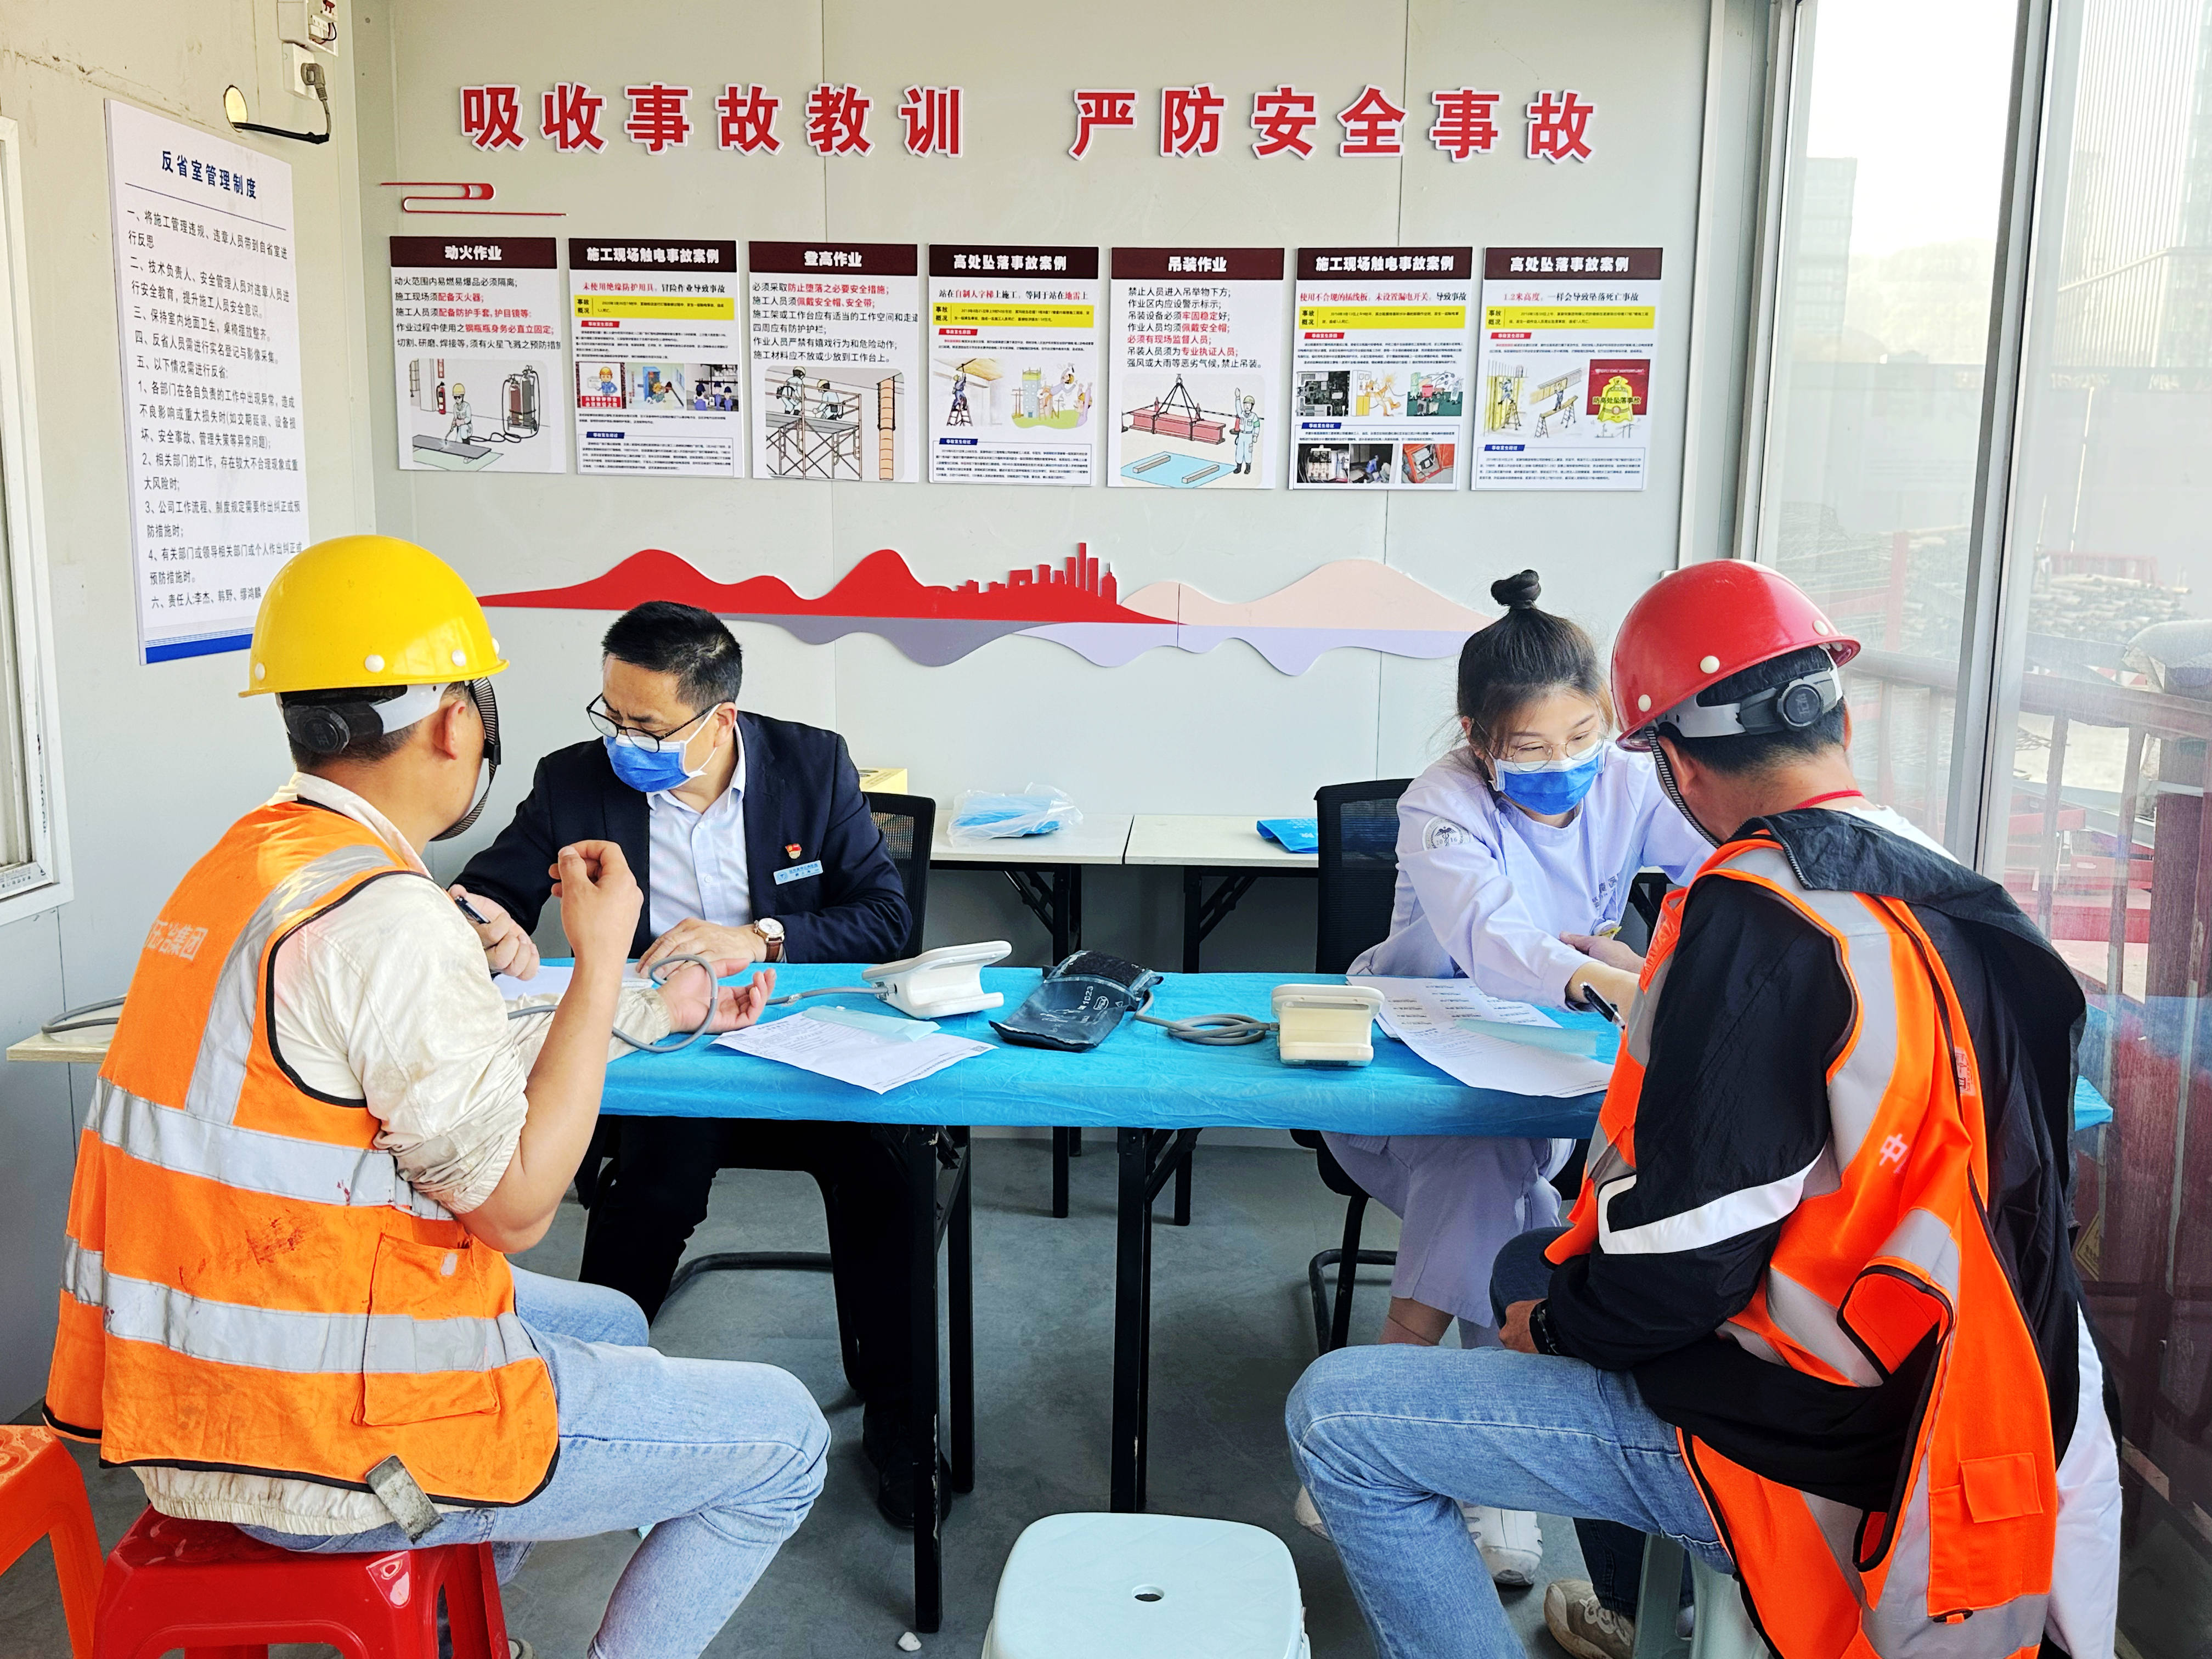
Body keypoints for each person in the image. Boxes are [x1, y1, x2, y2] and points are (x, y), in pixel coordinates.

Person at [1287, 560, 2121, 1659]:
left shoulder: (1751, 919)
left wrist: (1558, 1324)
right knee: (1525, 1243)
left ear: (1669, 763)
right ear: (1841, 716)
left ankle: (1555, 1513)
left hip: (1811, 1432)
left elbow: (1676, 1267)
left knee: (1347, 1413)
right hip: (1983, 1400)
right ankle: (1633, 1609)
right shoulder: (1966, 901)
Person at [43, 536, 817, 1659]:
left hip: (185, 1384)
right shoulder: (386, 916)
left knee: (610, 1320)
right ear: (458, 723)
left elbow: (416, 1065)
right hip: (326, 1443)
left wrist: (659, 1005)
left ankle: (468, 1631)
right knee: (786, 1439)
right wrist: (603, 957)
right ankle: (471, 1537)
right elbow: (515, 1208)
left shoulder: (249, 865)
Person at [452, 602, 935, 1528]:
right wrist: (483, 922)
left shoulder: (810, 764)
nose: (622, 742)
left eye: (647, 725)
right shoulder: (573, 781)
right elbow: (487, 889)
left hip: (801, 1047)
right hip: (671, 1050)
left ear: (720, 718)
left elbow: (886, 916)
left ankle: (903, 1422)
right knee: (651, 1193)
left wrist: (759, 937)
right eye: (611, 715)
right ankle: (585, 1406)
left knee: (887, 1181)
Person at [1296, 571, 1707, 1589]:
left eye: (1582, 736)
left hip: (1538, 1054)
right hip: (1407, 1057)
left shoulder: (1632, 779)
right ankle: (1494, 1489)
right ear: (1478, 740)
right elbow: (1490, 937)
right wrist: (1608, 979)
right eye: (1529, 749)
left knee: (1500, 1172)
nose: (1563, 764)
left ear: (1609, 718)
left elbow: (1717, 871)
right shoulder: (1440, 800)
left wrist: (1666, 960)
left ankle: (1376, 1427)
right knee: (1498, 1176)